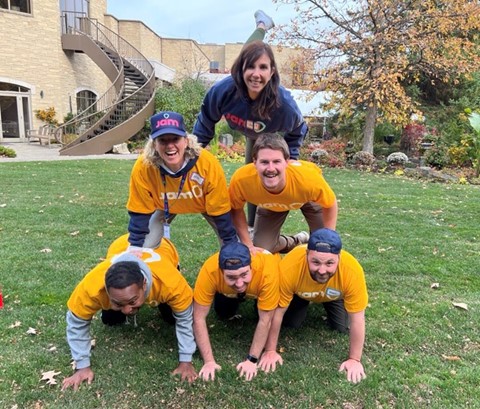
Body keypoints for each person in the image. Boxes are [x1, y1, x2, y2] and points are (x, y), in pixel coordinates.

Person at [193, 10, 308, 229]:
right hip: (248, 125)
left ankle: (253, 225)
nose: (256, 74)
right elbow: (206, 120)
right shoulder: (223, 91)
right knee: (249, 54)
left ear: (272, 71)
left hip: (265, 135)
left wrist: (291, 157)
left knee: (257, 171)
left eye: (263, 67)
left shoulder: (284, 104)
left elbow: (299, 128)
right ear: (241, 71)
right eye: (250, 67)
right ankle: (262, 26)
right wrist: (194, 152)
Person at [61, 234, 197, 391]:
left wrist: (186, 361)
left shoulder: (172, 284)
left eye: (132, 301)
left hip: (163, 249)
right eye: (118, 303)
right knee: (111, 319)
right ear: (105, 290)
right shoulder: (91, 288)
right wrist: (82, 366)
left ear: (144, 285)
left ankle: (148, 304)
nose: (127, 310)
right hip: (120, 245)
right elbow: (77, 323)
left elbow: (186, 319)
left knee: (171, 318)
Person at [258, 228, 369, 384]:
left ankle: (327, 300)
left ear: (339, 257)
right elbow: (277, 312)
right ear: (306, 255)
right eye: (315, 262)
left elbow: (358, 318)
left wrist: (354, 360)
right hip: (301, 292)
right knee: (291, 323)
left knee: (341, 327)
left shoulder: (352, 270)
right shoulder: (290, 266)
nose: (322, 270)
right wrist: (270, 350)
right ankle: (306, 299)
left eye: (330, 263)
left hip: (334, 294)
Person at [126, 110, 237, 252]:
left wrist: (229, 242)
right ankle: (165, 260)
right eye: (163, 140)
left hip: (207, 205)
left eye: (175, 139)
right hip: (164, 206)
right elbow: (140, 209)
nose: (170, 145)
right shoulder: (144, 166)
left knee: (233, 247)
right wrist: (136, 245)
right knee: (144, 247)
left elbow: (220, 207)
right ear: (154, 144)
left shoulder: (207, 163)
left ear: (186, 141)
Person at [229, 133, 338, 254]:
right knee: (263, 248)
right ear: (254, 162)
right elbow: (235, 209)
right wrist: (248, 245)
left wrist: (329, 237)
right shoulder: (242, 179)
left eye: (276, 161)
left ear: (287, 162)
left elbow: (330, 204)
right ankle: (297, 240)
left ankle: (314, 242)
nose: (271, 168)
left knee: (322, 245)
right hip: (270, 204)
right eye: (264, 162)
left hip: (307, 198)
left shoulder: (308, 179)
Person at [193, 241, 280, 381]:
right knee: (223, 313)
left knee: (264, 315)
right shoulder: (210, 270)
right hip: (227, 291)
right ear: (221, 272)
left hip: (260, 288)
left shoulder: (268, 270)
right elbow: (198, 317)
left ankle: (289, 241)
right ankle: (232, 294)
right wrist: (209, 361)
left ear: (251, 266)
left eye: (244, 274)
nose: (239, 283)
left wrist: (251, 360)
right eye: (231, 277)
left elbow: (266, 320)